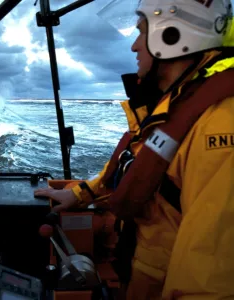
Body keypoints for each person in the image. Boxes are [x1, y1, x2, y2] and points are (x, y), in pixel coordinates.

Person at [35, 0, 234, 298]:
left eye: (141, 32)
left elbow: (208, 278)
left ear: (173, 37)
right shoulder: (171, 105)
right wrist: (79, 194)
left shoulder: (220, 124)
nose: (134, 47)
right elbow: (133, 165)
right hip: (140, 271)